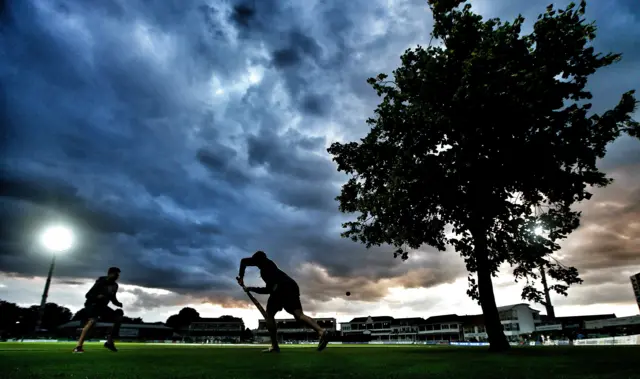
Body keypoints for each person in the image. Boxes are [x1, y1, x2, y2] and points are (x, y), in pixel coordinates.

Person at [236, 251, 331, 353]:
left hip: (281, 289)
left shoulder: (266, 270)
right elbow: (244, 261)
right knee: (299, 315)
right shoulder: (267, 263)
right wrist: (241, 277)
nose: (256, 265)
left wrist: (251, 289)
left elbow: (269, 290)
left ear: (259, 262)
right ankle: (321, 331)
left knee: (269, 316)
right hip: (292, 286)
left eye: (256, 263)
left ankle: (275, 346)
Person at [73, 267, 124, 353]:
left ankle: (109, 342)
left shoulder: (115, 286)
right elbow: (88, 295)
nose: (117, 276)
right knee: (92, 321)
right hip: (92, 305)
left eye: (118, 274)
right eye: (116, 274)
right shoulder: (101, 282)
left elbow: (112, 297)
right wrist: (97, 297)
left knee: (118, 318)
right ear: (110, 274)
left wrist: (118, 303)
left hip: (102, 306)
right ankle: (78, 346)